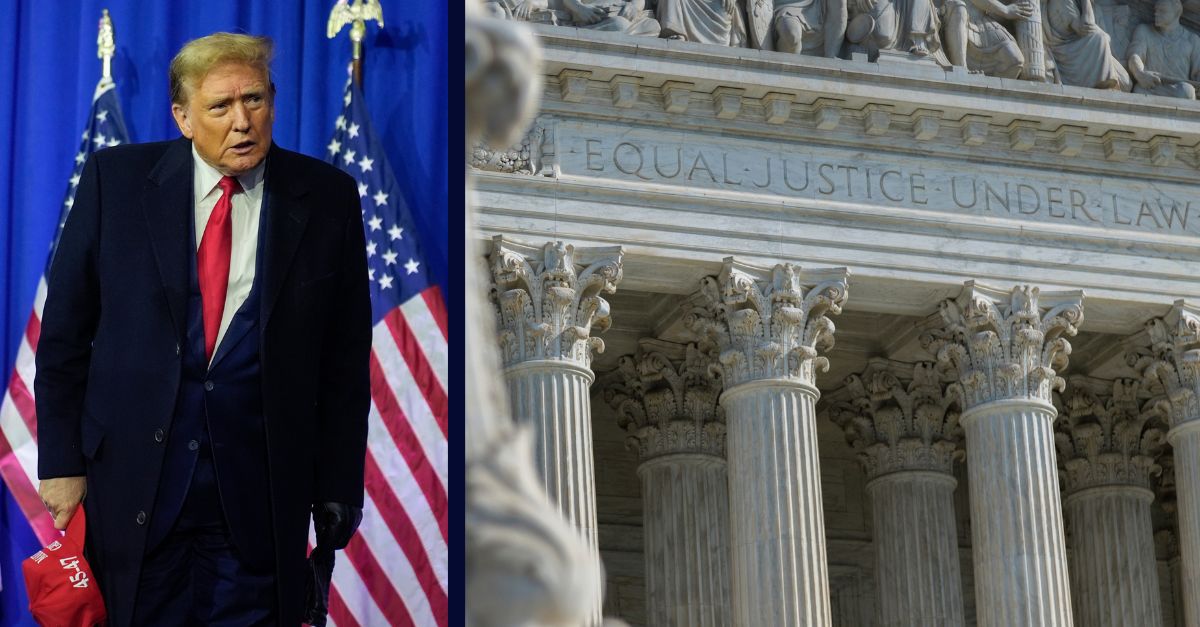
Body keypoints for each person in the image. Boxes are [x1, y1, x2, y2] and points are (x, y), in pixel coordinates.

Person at [35, 32, 371, 625]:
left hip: (259, 502)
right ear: (183, 117)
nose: (242, 121)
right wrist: (61, 463)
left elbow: (344, 364)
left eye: (255, 100)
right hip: (133, 492)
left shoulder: (327, 199)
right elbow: (64, 334)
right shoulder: (116, 182)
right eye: (221, 107)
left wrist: (339, 483)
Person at [1128, 0, 1200, 98]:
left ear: (1177, 12)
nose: (1156, 14)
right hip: (1151, 87)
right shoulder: (1144, 31)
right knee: (1138, 89)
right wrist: (1139, 73)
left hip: (1179, 89)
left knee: (1186, 91)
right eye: (1155, 10)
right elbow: (1135, 55)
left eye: (1162, 10)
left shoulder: (1192, 40)